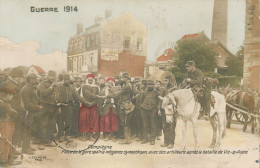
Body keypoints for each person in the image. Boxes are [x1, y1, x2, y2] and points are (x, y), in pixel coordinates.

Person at [55, 74, 91, 141]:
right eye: (65, 79)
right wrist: (59, 104)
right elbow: (56, 96)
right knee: (60, 121)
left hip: (69, 106)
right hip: (61, 106)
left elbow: (78, 96)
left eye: (68, 79)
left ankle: (67, 136)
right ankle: (60, 135)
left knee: (69, 121)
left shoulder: (72, 87)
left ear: (70, 80)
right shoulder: (58, 86)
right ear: (63, 79)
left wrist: (86, 102)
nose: (66, 81)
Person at [107, 72, 134, 144]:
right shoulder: (129, 85)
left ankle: (126, 139)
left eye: (122, 78)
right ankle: (128, 138)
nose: (121, 79)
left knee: (125, 122)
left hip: (124, 105)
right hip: (128, 104)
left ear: (126, 78)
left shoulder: (126, 86)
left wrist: (107, 96)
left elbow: (117, 94)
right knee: (127, 122)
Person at [5, 68, 26, 153]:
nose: (22, 79)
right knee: (14, 131)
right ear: (17, 77)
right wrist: (23, 110)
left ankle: (12, 150)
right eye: (21, 77)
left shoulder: (10, 83)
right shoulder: (13, 86)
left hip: (13, 111)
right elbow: (12, 102)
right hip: (13, 112)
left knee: (14, 131)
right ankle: (11, 152)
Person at [21, 73, 42, 155]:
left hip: (32, 113)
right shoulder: (26, 89)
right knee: (27, 131)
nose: (36, 80)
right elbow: (27, 104)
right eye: (35, 79)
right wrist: (38, 107)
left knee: (29, 130)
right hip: (28, 113)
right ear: (30, 80)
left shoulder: (31, 88)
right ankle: (25, 148)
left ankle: (27, 146)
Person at [0, 87, 21, 166]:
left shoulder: (3, 102)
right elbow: (14, 113)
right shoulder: (4, 104)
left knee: (7, 142)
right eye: (11, 96)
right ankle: (4, 162)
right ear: (8, 95)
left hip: (5, 123)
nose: (12, 97)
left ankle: (8, 159)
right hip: (5, 123)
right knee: (5, 143)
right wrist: (15, 112)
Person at [37, 70, 59, 147]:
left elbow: (57, 95)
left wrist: (58, 104)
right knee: (44, 123)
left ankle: (49, 140)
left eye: (54, 76)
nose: (53, 78)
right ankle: (43, 141)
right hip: (45, 106)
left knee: (52, 124)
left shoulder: (55, 84)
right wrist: (51, 87)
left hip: (54, 106)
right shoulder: (42, 84)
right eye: (51, 76)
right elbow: (43, 93)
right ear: (47, 76)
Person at [79, 74, 100, 141]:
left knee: (92, 120)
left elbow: (98, 98)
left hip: (93, 106)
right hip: (85, 105)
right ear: (87, 80)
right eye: (89, 80)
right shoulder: (84, 86)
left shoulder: (96, 87)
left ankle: (90, 134)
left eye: (91, 80)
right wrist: (87, 103)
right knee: (85, 119)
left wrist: (92, 103)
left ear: (93, 80)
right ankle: (85, 134)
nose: (90, 81)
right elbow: (84, 95)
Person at [159, 73, 178, 148]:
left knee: (172, 127)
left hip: (172, 110)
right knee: (165, 126)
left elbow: (177, 99)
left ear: (170, 80)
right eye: (164, 81)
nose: (165, 82)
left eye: (166, 81)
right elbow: (160, 100)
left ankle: (171, 143)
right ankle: (165, 142)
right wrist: (159, 109)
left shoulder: (174, 88)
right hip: (164, 110)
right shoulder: (164, 89)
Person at [139, 80, 160, 145]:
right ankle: (145, 139)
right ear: (147, 85)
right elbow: (141, 101)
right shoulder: (144, 92)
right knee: (145, 125)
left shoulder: (157, 93)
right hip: (144, 110)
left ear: (153, 85)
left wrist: (157, 109)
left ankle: (152, 139)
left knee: (153, 125)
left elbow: (159, 101)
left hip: (153, 110)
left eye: (151, 84)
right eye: (149, 84)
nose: (150, 86)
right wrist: (142, 108)